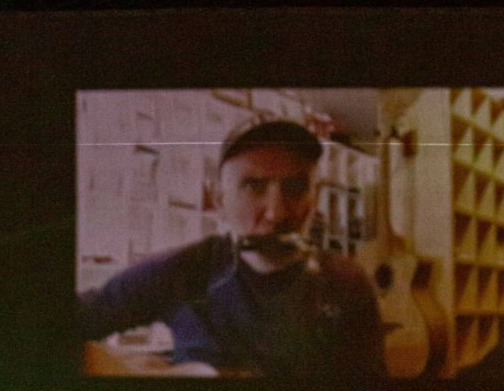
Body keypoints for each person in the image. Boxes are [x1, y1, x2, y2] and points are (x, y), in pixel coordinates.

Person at [78, 119, 386, 377]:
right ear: (219, 198)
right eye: (254, 186)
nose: (276, 213)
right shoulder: (186, 269)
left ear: (315, 198)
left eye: (295, 187)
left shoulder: (347, 282)